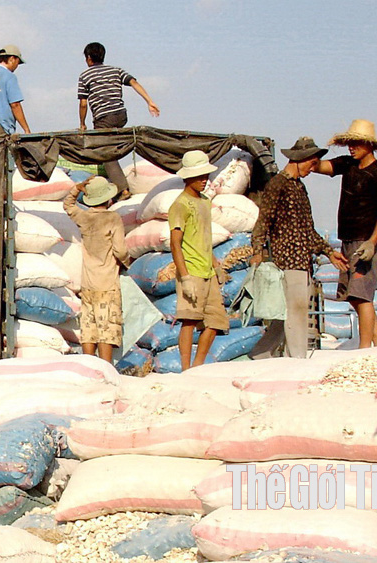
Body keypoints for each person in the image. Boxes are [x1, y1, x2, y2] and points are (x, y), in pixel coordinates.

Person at [249, 137, 350, 359]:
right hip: (287, 261)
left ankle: (259, 354)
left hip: (303, 260)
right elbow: (263, 221)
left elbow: (308, 230)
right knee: (296, 313)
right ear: (299, 159)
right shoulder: (278, 184)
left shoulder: (299, 188)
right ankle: (297, 360)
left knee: (285, 315)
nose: (313, 169)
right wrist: (257, 252)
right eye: (311, 163)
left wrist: (328, 251)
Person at [313, 120, 377, 349]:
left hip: (365, 243)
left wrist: (372, 242)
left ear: (369, 145)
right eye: (349, 143)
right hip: (347, 241)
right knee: (355, 297)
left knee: (362, 296)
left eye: (356, 143)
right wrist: (308, 156)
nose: (351, 147)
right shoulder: (348, 165)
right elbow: (323, 167)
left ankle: (364, 348)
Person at [169, 150, 231, 371]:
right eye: (200, 176)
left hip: (208, 271)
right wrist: (184, 276)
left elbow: (204, 238)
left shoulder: (204, 202)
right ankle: (186, 369)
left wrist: (216, 264)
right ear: (188, 177)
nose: (205, 180)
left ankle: (198, 366)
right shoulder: (180, 205)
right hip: (191, 271)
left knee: (215, 321)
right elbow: (175, 243)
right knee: (189, 320)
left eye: (206, 175)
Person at [77, 42, 160, 195]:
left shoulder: (85, 76)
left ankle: (122, 189)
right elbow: (133, 82)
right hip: (121, 115)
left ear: (89, 58)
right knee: (112, 149)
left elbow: (83, 104)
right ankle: (115, 182)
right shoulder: (116, 70)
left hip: (103, 118)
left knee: (105, 153)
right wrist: (149, 101)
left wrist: (82, 124)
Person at [63, 176, 130, 363]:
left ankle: (89, 365)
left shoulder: (83, 217)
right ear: (108, 198)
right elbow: (120, 249)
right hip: (107, 281)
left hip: (88, 281)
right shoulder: (113, 218)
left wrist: (77, 188)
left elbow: (68, 205)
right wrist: (127, 262)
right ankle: (106, 367)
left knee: (89, 325)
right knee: (106, 327)